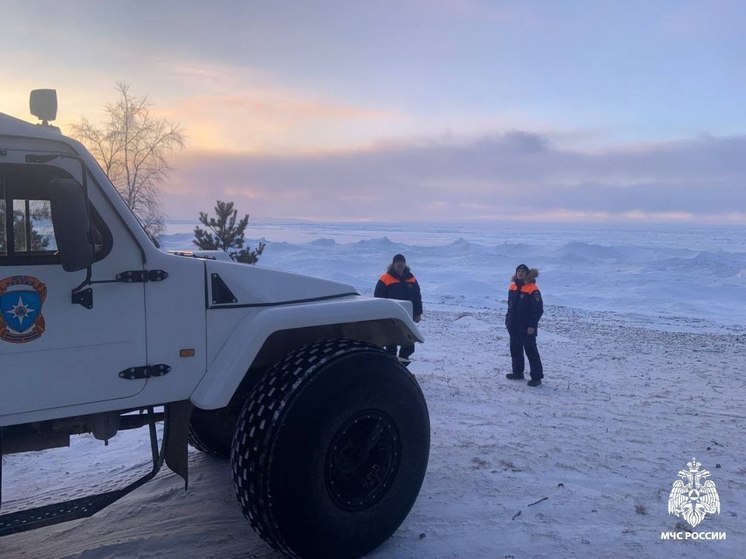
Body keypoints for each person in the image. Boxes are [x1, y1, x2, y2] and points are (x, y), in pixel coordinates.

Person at [374, 253, 423, 360]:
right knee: (391, 345)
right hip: (390, 317)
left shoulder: (411, 278)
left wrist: (418, 313)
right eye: (398, 263)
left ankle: (402, 363)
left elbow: (417, 296)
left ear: (405, 264)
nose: (400, 265)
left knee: (409, 345)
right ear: (394, 264)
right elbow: (378, 298)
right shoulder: (385, 279)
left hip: (407, 316)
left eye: (402, 263)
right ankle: (391, 366)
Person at [505, 263, 544, 386]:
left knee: (531, 351)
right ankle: (518, 372)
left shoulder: (532, 289)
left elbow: (538, 310)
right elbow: (510, 307)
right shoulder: (512, 287)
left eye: (523, 271)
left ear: (527, 274)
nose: (520, 273)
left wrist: (532, 326)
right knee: (515, 350)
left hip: (527, 328)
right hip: (514, 326)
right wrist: (508, 320)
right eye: (518, 271)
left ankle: (536, 377)